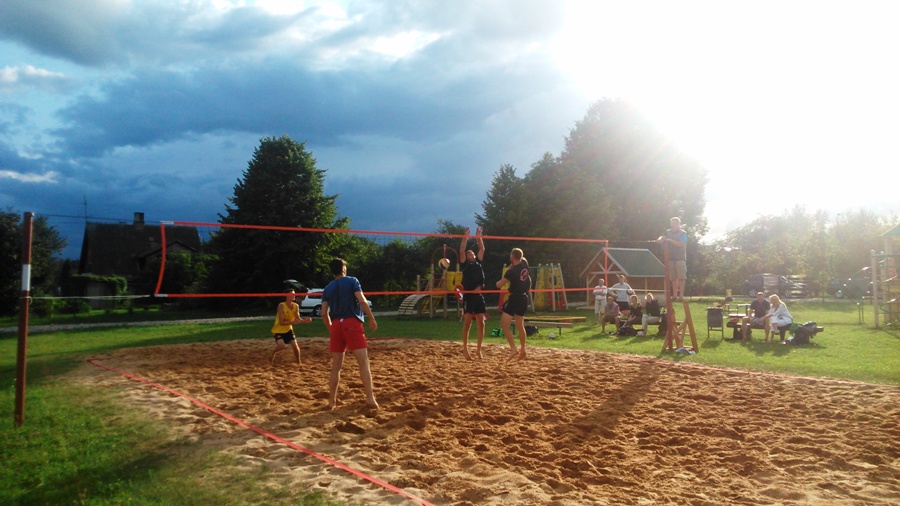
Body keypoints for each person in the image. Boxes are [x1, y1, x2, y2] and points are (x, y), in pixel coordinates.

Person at [320, 258, 379, 410]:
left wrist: (331, 329)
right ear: (343, 269)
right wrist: (371, 318)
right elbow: (362, 301)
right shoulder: (352, 281)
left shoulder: (327, 288)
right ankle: (371, 399)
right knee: (363, 363)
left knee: (336, 366)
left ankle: (331, 402)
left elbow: (324, 313)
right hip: (351, 323)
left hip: (336, 325)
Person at [496, 247, 531, 361]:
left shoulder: (511, 272)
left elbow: (499, 285)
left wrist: (498, 282)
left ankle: (513, 349)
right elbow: (522, 258)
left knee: (504, 325)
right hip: (524, 297)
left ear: (512, 256)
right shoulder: (524, 263)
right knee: (520, 325)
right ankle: (523, 350)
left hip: (514, 298)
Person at [459, 226, 487, 359]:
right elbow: (461, 250)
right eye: (468, 254)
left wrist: (478, 236)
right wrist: (465, 237)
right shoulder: (465, 265)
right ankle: (465, 349)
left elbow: (482, 249)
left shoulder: (478, 263)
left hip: (479, 296)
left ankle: (478, 350)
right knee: (467, 323)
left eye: (471, 253)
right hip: (469, 296)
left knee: (481, 323)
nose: (469, 254)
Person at [270, 289, 312, 365]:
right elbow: (281, 322)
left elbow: (298, 319)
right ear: (286, 296)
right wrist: (292, 322)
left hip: (288, 329)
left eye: (294, 294)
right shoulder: (281, 306)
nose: (294, 295)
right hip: (278, 330)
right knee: (281, 346)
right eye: (292, 294)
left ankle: (299, 363)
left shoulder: (296, 306)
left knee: (295, 346)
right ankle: (273, 353)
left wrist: (305, 321)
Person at [657, 217, 688, 301]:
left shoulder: (683, 233)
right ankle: (674, 295)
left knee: (681, 277)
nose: (673, 224)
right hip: (670, 258)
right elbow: (661, 238)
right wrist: (660, 239)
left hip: (680, 258)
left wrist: (670, 240)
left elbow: (681, 244)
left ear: (678, 224)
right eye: (672, 222)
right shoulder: (667, 232)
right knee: (673, 278)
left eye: (675, 223)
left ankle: (681, 295)